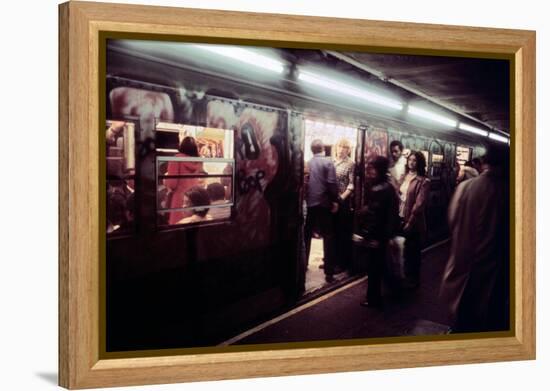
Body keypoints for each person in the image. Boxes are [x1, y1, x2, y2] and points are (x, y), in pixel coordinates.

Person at [440, 143, 510, 332]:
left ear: (486, 161)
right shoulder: (509, 192)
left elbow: (452, 220)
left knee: (462, 318)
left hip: (461, 265)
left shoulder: (465, 187)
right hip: (494, 274)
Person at [357, 156, 400, 307]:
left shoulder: (378, 189)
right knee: (382, 266)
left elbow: (375, 216)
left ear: (380, 170)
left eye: (373, 169)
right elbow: (391, 214)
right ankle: (392, 292)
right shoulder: (388, 187)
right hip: (383, 235)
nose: (370, 172)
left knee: (374, 269)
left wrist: (367, 236)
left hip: (376, 236)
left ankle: (373, 299)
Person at [304, 139, 339, 282]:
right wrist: (335, 200)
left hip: (311, 203)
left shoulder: (308, 163)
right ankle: (329, 272)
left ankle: (303, 264)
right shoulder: (328, 162)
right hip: (324, 204)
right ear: (323, 148)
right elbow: (331, 183)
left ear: (312, 150)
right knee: (328, 236)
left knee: (307, 234)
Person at [399, 150, 430, 288]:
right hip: (399, 217)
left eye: (414, 160)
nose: (411, 162)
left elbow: (419, 205)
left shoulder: (423, 181)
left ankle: (414, 279)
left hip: (413, 221)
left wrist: (410, 223)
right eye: (410, 160)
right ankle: (404, 276)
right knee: (403, 250)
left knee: (413, 251)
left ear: (420, 163)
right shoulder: (404, 177)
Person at [164, 136, 205, 225]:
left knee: (178, 228)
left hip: (180, 199)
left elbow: (172, 184)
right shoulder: (197, 161)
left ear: (181, 146)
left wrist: (166, 179)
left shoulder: (176, 159)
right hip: (194, 198)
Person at [333, 138, 355, 271]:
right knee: (331, 233)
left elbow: (351, 185)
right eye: (340, 146)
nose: (341, 149)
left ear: (348, 150)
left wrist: (342, 199)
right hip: (331, 201)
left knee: (341, 233)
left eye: (345, 147)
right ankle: (330, 260)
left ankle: (341, 264)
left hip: (343, 202)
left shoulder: (351, 164)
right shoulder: (332, 161)